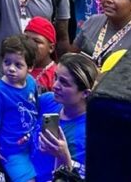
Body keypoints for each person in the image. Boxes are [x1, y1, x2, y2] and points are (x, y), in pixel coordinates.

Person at [0, 33, 40, 182]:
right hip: (12, 151)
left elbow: (36, 107)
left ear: (30, 67)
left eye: (18, 65)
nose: (11, 69)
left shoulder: (31, 83)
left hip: (32, 143)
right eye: (7, 62)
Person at [32, 53, 99, 182]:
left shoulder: (88, 133)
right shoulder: (47, 101)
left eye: (64, 83)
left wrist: (63, 155)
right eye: (56, 77)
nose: (55, 85)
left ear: (85, 93)